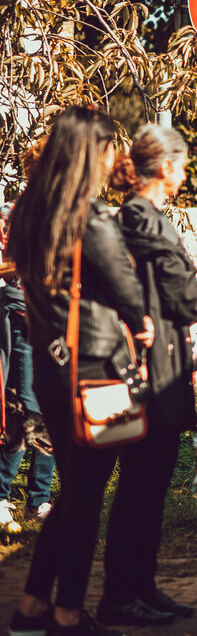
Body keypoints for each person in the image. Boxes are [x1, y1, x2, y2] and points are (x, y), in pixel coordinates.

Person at [7, 107, 153, 636]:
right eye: (110, 145)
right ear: (91, 152)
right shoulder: (88, 218)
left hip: (52, 368)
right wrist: (144, 322)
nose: (116, 155)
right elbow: (128, 291)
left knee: (74, 490)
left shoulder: (29, 212)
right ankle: (67, 612)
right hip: (98, 371)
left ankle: (29, 608)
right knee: (87, 495)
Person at [96, 125, 197, 627]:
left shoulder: (142, 217)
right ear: (166, 166)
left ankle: (142, 588)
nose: (186, 173)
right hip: (152, 374)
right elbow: (185, 297)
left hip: (162, 367)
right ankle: (120, 595)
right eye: (184, 164)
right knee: (140, 489)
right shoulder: (143, 220)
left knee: (150, 490)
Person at [1, 201, 56, 534]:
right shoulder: (12, 213)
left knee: (52, 410)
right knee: (28, 410)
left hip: (60, 322)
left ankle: (39, 500)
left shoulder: (68, 209)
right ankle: (2, 495)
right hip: (24, 320)